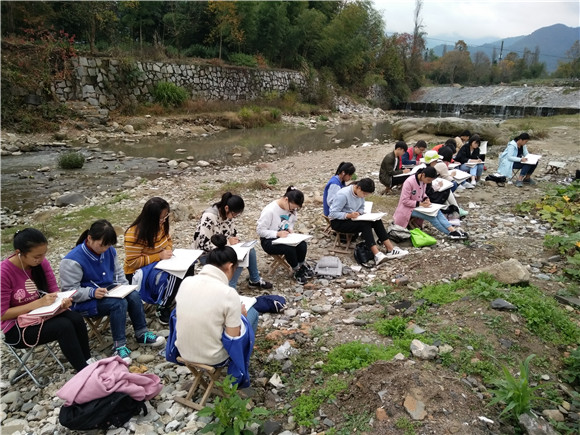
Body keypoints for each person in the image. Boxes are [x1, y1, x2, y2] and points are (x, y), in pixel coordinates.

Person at [60, 220, 165, 364]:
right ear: (90, 238)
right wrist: (91, 292)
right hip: (85, 302)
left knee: (133, 295)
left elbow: (119, 274)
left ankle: (142, 334)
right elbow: (70, 292)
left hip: (108, 293)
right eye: (102, 245)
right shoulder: (72, 261)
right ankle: (119, 346)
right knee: (118, 303)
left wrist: (124, 288)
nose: (105, 249)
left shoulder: (110, 250)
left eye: (108, 245)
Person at [1, 228, 92, 372]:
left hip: (41, 314)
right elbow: (3, 314)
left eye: (44, 254)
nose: (41, 259)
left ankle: (88, 360)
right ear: (19, 253)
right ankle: (84, 371)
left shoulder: (41, 264)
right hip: (17, 328)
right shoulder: (4, 273)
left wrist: (63, 301)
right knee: (63, 326)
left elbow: (54, 292)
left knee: (75, 318)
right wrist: (38, 303)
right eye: (36, 256)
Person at [176, 234, 257, 366]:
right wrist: (240, 317)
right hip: (213, 357)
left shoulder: (186, 282)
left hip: (183, 352)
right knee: (252, 313)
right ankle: (241, 365)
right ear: (230, 267)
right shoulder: (229, 293)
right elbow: (233, 338)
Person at [124, 197, 187, 324]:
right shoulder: (134, 234)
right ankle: (163, 306)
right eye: (161, 218)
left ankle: (182, 297)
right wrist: (159, 256)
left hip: (159, 264)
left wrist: (167, 251)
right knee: (175, 274)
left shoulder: (161, 226)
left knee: (187, 266)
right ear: (150, 218)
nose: (164, 221)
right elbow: (133, 262)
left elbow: (168, 240)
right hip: (138, 273)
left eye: (166, 216)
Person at [193, 192, 272, 290]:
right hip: (208, 254)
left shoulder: (228, 215)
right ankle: (230, 288)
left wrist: (234, 239)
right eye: (234, 215)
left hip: (224, 248)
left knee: (250, 251)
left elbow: (232, 233)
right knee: (237, 260)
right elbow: (203, 244)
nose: (234, 217)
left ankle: (254, 280)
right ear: (226, 208)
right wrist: (228, 242)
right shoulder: (209, 216)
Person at [329, 178, 408, 264]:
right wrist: (348, 215)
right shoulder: (343, 195)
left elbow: (362, 207)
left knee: (377, 220)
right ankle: (377, 254)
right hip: (338, 222)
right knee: (364, 225)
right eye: (364, 193)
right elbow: (333, 213)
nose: (364, 196)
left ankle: (390, 249)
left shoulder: (360, 194)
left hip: (353, 218)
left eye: (366, 194)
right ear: (358, 188)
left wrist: (359, 212)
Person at [393, 167, 468, 240]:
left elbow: (423, 194)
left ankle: (452, 230)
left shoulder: (423, 181)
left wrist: (426, 198)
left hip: (418, 206)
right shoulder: (409, 182)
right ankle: (449, 233)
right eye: (428, 180)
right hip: (408, 209)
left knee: (437, 211)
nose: (428, 182)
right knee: (431, 217)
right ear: (423, 175)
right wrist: (420, 204)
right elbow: (405, 201)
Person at [257, 186, 312, 284]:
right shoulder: (270, 210)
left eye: (296, 208)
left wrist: (290, 228)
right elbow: (260, 231)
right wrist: (277, 233)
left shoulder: (291, 210)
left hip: (285, 236)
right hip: (269, 240)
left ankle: (301, 264)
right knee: (289, 249)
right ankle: (296, 270)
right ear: (286, 200)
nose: (293, 210)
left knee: (302, 244)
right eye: (293, 207)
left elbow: (291, 222)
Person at [423, 150, 469, 220]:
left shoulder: (423, 168)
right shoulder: (437, 167)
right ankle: (456, 210)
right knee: (447, 190)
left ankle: (452, 213)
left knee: (445, 194)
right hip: (429, 196)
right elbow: (428, 189)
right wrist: (438, 186)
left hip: (427, 194)